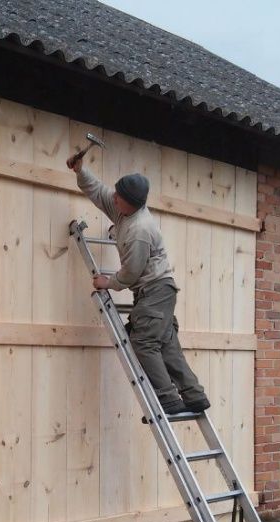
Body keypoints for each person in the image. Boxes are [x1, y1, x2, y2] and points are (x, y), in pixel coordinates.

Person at [69, 156, 210, 415]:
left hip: (155, 290)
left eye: (118, 197)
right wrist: (81, 172)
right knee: (166, 344)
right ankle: (194, 395)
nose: (113, 199)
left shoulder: (139, 229)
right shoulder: (123, 209)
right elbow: (100, 193)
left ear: (131, 203)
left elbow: (132, 273)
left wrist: (108, 282)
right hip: (159, 292)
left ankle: (168, 398)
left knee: (143, 342)